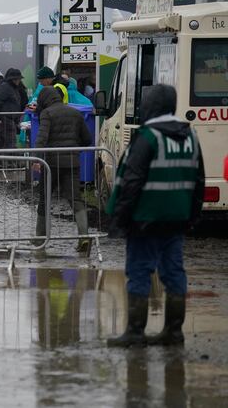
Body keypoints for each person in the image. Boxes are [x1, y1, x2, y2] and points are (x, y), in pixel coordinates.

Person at [106, 85, 205, 348]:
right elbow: (199, 182)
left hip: (144, 219)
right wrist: (192, 218)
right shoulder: (190, 137)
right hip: (176, 220)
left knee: (139, 271)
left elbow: (131, 181)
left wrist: (119, 219)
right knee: (174, 272)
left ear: (151, 106)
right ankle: (174, 332)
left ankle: (135, 333)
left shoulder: (148, 137)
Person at [33, 87, 92, 251]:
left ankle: (40, 239)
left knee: (45, 198)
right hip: (72, 163)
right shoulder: (75, 113)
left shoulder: (47, 113)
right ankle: (84, 237)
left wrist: (36, 158)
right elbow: (87, 139)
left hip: (51, 164)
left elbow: (42, 138)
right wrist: (74, 149)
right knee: (75, 199)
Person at [0, 68, 24, 150]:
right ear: (13, 79)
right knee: (10, 142)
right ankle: (10, 161)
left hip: (7, 119)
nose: (19, 81)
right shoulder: (6, 87)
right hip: (6, 119)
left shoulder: (10, 87)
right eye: (17, 79)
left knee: (1, 143)